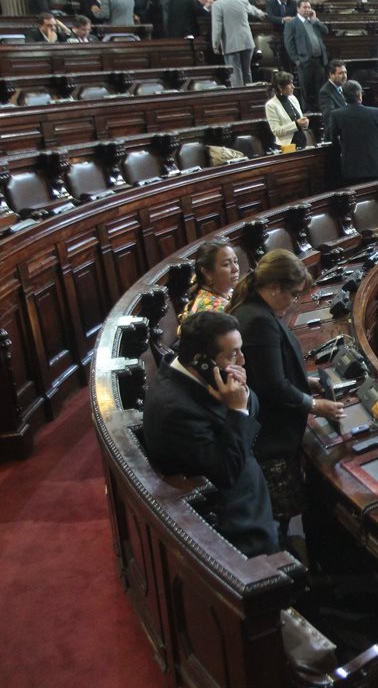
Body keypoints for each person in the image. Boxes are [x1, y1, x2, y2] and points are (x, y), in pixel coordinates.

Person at [227, 250, 344, 541]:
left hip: (272, 428)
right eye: (292, 295)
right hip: (271, 436)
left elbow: (271, 370)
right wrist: (314, 404)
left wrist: (305, 382)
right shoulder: (258, 320)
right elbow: (272, 385)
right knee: (278, 518)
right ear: (274, 287)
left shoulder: (256, 309)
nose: (293, 303)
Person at [142, 311, 279, 557]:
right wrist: (236, 410)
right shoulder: (176, 410)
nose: (243, 360)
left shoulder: (190, 371)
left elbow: (252, 408)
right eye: (233, 354)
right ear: (202, 360)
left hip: (248, 494)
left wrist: (242, 398)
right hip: (236, 527)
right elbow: (225, 472)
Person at [325, 80, 378, 185]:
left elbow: (332, 140)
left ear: (343, 97)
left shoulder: (336, 115)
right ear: (360, 95)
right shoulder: (375, 112)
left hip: (351, 169)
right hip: (376, 166)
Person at [211, 0, 266, 88]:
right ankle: (249, 96)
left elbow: (217, 26)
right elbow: (254, 10)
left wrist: (215, 44)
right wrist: (262, 14)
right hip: (247, 41)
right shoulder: (243, 0)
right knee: (247, 71)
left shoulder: (217, 4)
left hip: (231, 43)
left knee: (235, 73)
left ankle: (240, 98)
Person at [283, 0, 329, 113]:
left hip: (319, 60)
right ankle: (308, 112)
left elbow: (326, 31)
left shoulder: (313, 22)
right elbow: (289, 43)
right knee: (307, 88)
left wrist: (315, 19)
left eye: (309, 7)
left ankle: (320, 110)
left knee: (320, 87)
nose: (307, 9)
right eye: (304, 7)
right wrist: (296, 59)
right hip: (304, 61)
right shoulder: (292, 23)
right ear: (298, 9)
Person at [182, 237, 240, 316]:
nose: (235, 269)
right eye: (226, 264)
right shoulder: (214, 311)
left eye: (235, 261)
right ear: (208, 273)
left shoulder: (224, 292)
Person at [264, 71, 310, 149]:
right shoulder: (271, 105)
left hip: (302, 141)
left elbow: (300, 119)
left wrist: (305, 123)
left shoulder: (293, 98)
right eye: (290, 84)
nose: (293, 87)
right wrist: (296, 124)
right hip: (287, 146)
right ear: (280, 87)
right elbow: (276, 131)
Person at [318, 61, 348, 129]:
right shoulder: (325, 92)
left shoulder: (346, 87)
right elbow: (329, 117)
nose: (344, 76)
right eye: (340, 73)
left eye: (345, 72)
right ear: (331, 74)